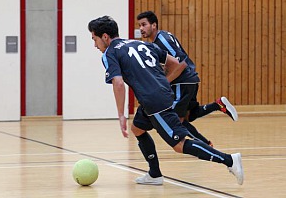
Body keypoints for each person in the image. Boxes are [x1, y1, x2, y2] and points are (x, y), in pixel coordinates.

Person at [87, 15, 244, 186]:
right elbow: (175, 63)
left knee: (179, 145)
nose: (95, 45)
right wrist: (159, 79)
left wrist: (121, 114)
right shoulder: (141, 43)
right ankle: (154, 174)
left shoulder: (110, 52)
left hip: (154, 101)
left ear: (105, 37)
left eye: (94, 39)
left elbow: (118, 83)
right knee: (138, 129)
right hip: (157, 96)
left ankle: (230, 160)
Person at [132, 10, 239, 184]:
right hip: (188, 81)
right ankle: (217, 105)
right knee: (190, 115)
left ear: (154, 25)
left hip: (183, 82)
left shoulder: (162, 39)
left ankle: (207, 145)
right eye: (139, 26)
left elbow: (180, 63)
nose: (141, 29)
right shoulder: (160, 39)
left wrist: (163, 82)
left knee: (178, 122)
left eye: (144, 25)